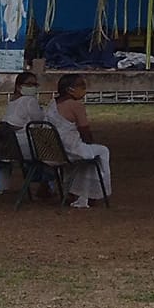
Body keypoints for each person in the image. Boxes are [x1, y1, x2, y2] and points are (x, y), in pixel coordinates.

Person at [49, 73, 112, 208]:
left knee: (89, 154)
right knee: (101, 151)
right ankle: (94, 192)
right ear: (69, 89)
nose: (84, 89)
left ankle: (77, 193)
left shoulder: (52, 104)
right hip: (70, 149)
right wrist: (90, 144)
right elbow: (85, 131)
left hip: (52, 151)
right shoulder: (76, 105)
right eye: (80, 86)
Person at [0, 70, 52, 195]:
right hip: (22, 147)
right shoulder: (29, 101)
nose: (33, 87)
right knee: (51, 151)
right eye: (29, 84)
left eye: (35, 84)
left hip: (5, 147)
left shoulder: (12, 102)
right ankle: (46, 185)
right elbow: (39, 120)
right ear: (19, 86)